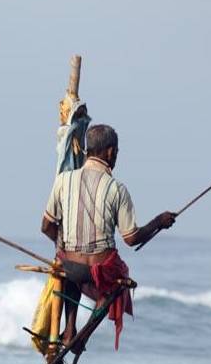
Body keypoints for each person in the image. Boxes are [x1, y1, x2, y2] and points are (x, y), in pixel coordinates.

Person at [41, 123, 175, 351]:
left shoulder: (63, 180)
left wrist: (61, 246)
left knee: (69, 272)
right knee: (117, 285)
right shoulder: (117, 189)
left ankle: (69, 330)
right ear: (110, 151)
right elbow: (131, 238)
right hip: (99, 269)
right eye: (117, 152)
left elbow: (46, 226)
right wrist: (158, 222)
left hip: (71, 266)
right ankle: (81, 337)